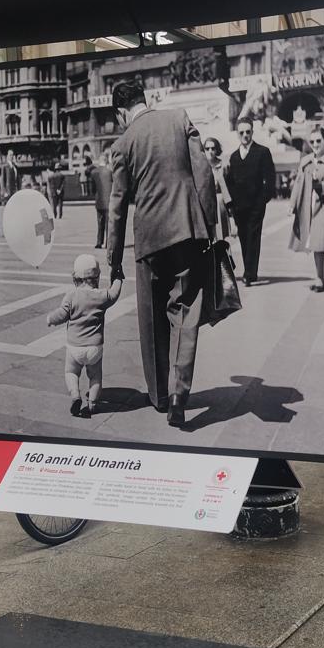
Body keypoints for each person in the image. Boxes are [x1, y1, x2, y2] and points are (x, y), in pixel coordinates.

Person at [107, 81, 217, 429]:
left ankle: (157, 395)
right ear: (146, 100)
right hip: (187, 230)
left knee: (152, 319)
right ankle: (178, 395)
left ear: (121, 112)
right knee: (185, 314)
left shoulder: (123, 143)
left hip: (149, 240)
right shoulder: (178, 118)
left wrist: (113, 258)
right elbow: (204, 176)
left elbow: (117, 206)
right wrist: (208, 227)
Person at [46, 254, 123, 419]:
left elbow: (61, 314)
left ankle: (75, 395)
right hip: (95, 348)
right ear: (97, 277)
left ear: (75, 278)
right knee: (95, 376)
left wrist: (50, 319)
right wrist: (118, 278)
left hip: (75, 347)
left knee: (71, 373)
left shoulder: (71, 296)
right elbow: (114, 294)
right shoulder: (102, 296)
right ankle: (93, 404)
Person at [289, 125, 324, 292]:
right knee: (314, 243)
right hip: (307, 206)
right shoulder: (305, 161)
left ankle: (319, 279)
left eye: (318, 140)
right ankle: (319, 278)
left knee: (319, 242)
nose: (315, 144)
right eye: (312, 141)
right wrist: (292, 204)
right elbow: (298, 184)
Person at [224, 119, 276, 285]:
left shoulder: (262, 152)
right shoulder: (233, 156)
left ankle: (249, 272)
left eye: (248, 132)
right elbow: (230, 182)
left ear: (252, 132)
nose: (245, 135)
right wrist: (231, 205)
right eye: (242, 132)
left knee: (253, 237)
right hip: (239, 207)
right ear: (237, 134)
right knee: (243, 237)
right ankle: (250, 271)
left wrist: (263, 201)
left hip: (256, 205)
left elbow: (270, 179)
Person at [203, 138, 237, 242]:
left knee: (222, 236)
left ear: (217, 149)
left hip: (220, 202)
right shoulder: (201, 165)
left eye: (213, 148)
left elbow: (229, 187)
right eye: (207, 148)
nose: (210, 151)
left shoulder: (223, 165)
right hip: (206, 203)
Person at [84, 153, 113, 250]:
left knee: (100, 223)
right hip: (109, 201)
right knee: (109, 224)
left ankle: (99, 242)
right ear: (107, 161)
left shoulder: (94, 172)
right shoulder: (110, 172)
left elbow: (92, 188)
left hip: (99, 201)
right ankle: (108, 244)